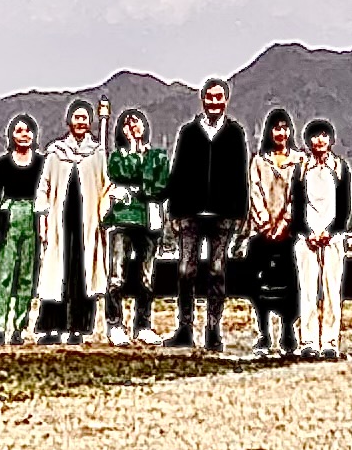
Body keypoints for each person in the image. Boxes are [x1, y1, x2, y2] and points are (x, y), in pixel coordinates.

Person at [164, 81, 249, 353]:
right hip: (190, 211)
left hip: (223, 214)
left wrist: (240, 213)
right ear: (202, 100)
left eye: (219, 98)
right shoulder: (188, 133)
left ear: (226, 100)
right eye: (209, 98)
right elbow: (178, 171)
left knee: (216, 270)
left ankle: (213, 329)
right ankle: (185, 328)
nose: (214, 102)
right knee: (185, 270)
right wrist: (174, 211)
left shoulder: (235, 133)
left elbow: (240, 175)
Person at [38, 102, 113, 344]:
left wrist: (105, 213)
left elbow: (105, 185)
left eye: (85, 118)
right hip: (60, 221)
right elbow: (44, 186)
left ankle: (78, 328)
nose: (81, 122)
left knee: (82, 274)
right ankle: (52, 327)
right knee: (57, 273)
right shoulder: (55, 152)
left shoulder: (97, 152)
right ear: (69, 121)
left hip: (87, 222)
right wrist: (43, 217)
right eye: (76, 117)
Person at [243, 107, 302, 358]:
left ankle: (289, 330)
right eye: (277, 128)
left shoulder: (299, 160)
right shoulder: (258, 161)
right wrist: (266, 224)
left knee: (291, 284)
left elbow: (297, 196)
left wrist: (283, 223)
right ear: (269, 131)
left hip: (289, 233)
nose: (281, 132)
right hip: (262, 233)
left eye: (285, 127)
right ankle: (264, 332)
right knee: (257, 283)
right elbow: (254, 193)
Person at [292, 119, 352, 360]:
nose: (320, 141)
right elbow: (296, 204)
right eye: (315, 136)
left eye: (324, 136)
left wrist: (330, 232)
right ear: (308, 141)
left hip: (333, 238)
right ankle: (308, 341)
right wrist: (307, 233)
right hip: (306, 239)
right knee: (307, 291)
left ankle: (329, 341)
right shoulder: (301, 169)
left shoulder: (340, 167)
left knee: (331, 290)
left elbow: (345, 206)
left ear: (331, 139)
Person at [105, 106, 168, 343]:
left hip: (149, 220)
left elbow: (159, 185)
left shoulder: (158, 156)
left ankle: (143, 325)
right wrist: (132, 152)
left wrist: (135, 188)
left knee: (146, 276)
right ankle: (115, 324)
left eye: (137, 121)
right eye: (127, 123)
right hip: (122, 220)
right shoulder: (117, 157)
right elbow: (119, 174)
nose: (133, 127)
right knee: (116, 276)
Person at [0, 116, 47, 346]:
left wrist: (44, 224)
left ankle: (19, 327)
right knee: (4, 276)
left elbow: (45, 194)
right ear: (12, 135)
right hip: (8, 216)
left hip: (33, 216)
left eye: (28, 130)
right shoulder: (2, 163)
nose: (24, 134)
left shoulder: (41, 162)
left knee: (26, 277)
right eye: (19, 130)